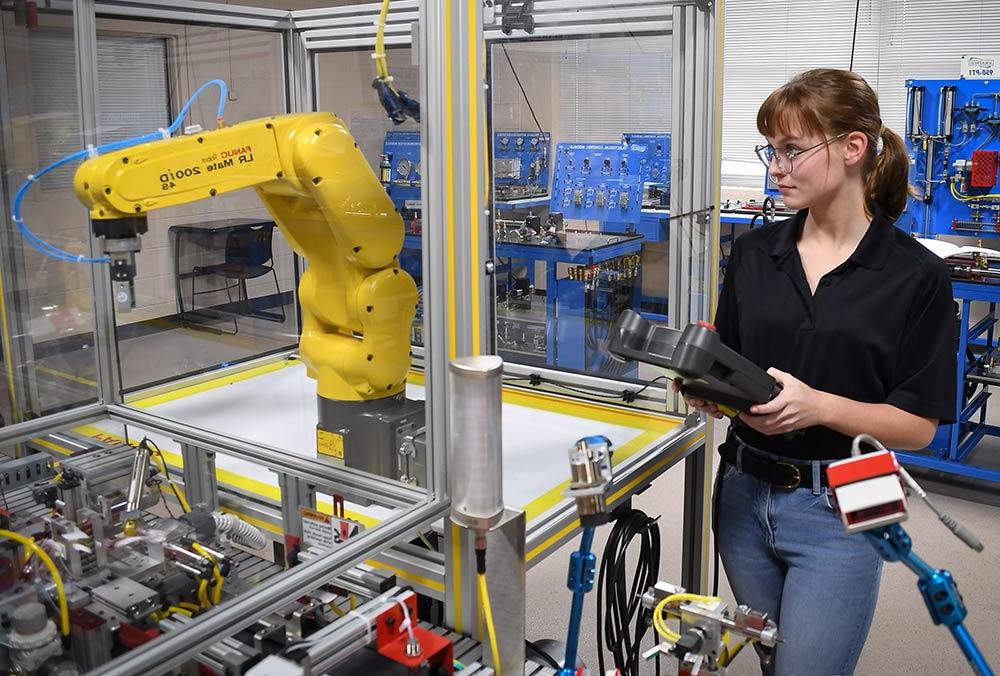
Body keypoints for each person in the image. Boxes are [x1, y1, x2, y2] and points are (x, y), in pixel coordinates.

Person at [683, 68, 957, 675]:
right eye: (770, 150)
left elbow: (918, 428)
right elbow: (738, 369)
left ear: (853, 148)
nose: (776, 167)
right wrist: (712, 390)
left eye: (792, 149)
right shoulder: (755, 254)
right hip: (743, 491)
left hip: (849, 495)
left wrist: (820, 406)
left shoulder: (916, 277)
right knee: (772, 658)